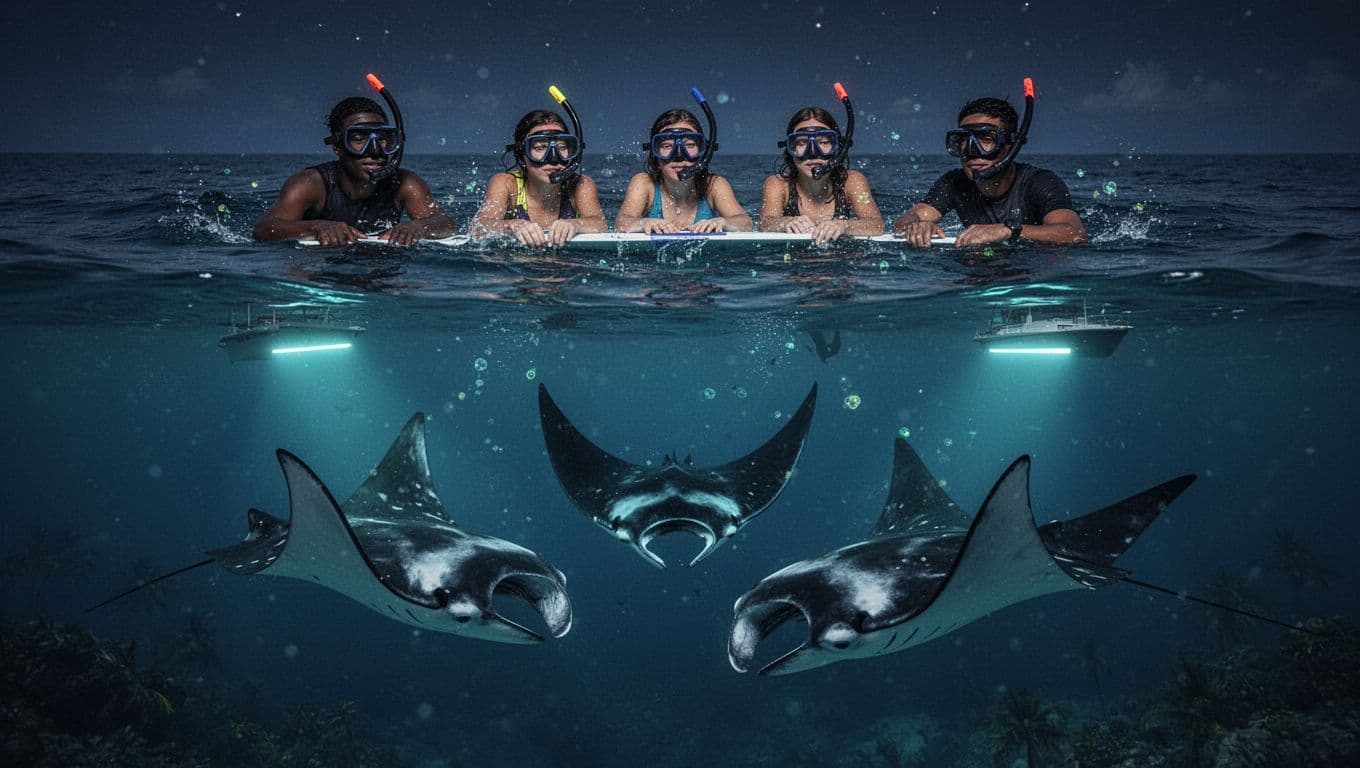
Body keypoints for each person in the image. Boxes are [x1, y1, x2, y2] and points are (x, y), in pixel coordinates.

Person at [253, 96, 454, 246]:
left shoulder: (404, 183)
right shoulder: (310, 185)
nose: (374, 151)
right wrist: (317, 227)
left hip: (382, 269)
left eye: (382, 139)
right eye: (358, 139)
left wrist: (416, 227)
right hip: (323, 267)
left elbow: (446, 222)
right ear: (337, 147)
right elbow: (264, 228)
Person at [893, 96, 1085, 248]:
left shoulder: (1040, 182)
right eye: (964, 140)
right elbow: (906, 220)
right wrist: (915, 227)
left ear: (1010, 146)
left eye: (986, 139)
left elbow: (1075, 233)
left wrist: (1008, 231)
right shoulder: (953, 183)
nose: (972, 151)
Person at [472, 109, 606, 247]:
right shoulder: (506, 184)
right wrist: (511, 226)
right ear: (521, 155)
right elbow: (478, 227)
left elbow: (600, 224)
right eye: (540, 148)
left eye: (561, 147)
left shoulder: (580, 184)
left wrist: (576, 224)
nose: (553, 158)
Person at [615, 109, 752, 234]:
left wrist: (724, 222)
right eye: (667, 145)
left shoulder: (714, 185)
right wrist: (643, 223)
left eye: (690, 145)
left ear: (703, 151)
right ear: (654, 152)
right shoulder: (644, 183)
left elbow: (745, 223)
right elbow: (622, 223)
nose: (679, 155)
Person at [759, 106, 883, 243]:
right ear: (790, 149)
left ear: (837, 148)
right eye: (802, 143)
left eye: (823, 142)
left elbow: (876, 224)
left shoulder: (852, 182)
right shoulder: (778, 184)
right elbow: (765, 223)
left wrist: (844, 225)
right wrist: (785, 222)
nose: (812, 153)